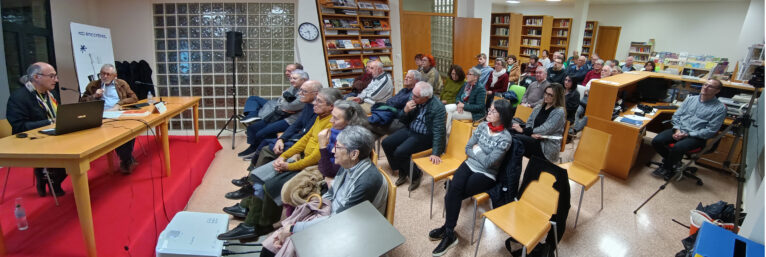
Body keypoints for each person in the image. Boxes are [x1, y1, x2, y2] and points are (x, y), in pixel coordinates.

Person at [218, 88, 342, 240]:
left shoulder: (331, 123)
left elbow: (316, 157)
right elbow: (305, 140)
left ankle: (258, 225)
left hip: (314, 167)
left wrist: (288, 166)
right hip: (301, 159)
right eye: (315, 100)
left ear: (331, 106)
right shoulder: (320, 116)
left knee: (268, 184)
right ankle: (249, 214)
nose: (314, 103)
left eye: (319, 101)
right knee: (258, 176)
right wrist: (283, 156)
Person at [258, 126, 387, 257]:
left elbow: (339, 220)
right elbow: (331, 194)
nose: (332, 150)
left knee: (285, 243)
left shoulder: (367, 180)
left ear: (354, 154)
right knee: (272, 246)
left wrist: (294, 229)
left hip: (351, 229)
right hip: (333, 217)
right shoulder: (350, 164)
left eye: (338, 147)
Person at [429, 99, 514, 256]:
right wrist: (477, 151)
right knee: (454, 190)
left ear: (503, 115)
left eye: (493, 111)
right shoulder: (482, 126)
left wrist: (478, 150)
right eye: (490, 109)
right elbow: (468, 148)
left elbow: (489, 163)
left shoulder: (505, 138)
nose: (489, 112)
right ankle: (449, 232)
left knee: (453, 194)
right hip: (469, 164)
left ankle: (448, 230)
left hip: (486, 174)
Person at [6, 62, 67, 196]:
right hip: (29, 140)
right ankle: (47, 176)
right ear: (36, 77)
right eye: (52, 76)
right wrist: (50, 122)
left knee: (76, 145)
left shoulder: (51, 94)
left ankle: (49, 176)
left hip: (52, 135)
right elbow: (19, 126)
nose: (56, 80)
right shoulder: (18, 97)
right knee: (64, 152)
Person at [650, 79, 726, 179]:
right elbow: (676, 116)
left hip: (696, 136)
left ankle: (668, 167)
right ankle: (674, 162)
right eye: (705, 85)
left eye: (710, 86)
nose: (706, 87)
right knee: (656, 141)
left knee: (678, 147)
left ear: (717, 91)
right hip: (679, 129)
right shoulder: (690, 99)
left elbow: (711, 130)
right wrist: (677, 130)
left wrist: (688, 134)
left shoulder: (719, 108)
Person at [241, 80, 323, 171]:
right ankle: (252, 175)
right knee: (264, 139)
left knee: (265, 147)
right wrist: (282, 139)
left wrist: (286, 143)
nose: (300, 94)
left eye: (304, 91)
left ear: (316, 94)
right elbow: (296, 124)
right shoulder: (308, 104)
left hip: (301, 143)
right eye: (300, 90)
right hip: (297, 137)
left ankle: (253, 178)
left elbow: (306, 134)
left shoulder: (319, 111)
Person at [382, 82, 446, 191]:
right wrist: (405, 111)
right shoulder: (414, 100)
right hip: (411, 129)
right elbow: (403, 120)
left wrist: (436, 153)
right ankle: (402, 170)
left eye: (416, 96)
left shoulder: (438, 107)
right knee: (386, 143)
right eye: (412, 94)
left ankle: (416, 175)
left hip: (425, 136)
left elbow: (438, 131)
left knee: (400, 152)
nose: (412, 97)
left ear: (425, 97)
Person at [81, 64, 139, 173]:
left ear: (115, 76)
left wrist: (119, 104)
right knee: (116, 135)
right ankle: (127, 160)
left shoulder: (121, 84)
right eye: (102, 73)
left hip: (119, 113)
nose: (104, 76)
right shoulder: (93, 86)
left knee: (130, 131)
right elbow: (81, 103)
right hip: (101, 116)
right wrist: (94, 96)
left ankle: (126, 159)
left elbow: (134, 98)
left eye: (108, 74)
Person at [238, 69, 309, 158]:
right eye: (291, 78)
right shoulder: (294, 87)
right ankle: (253, 147)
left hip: (291, 120)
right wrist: (284, 102)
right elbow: (280, 100)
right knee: (253, 127)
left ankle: (258, 152)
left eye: (294, 78)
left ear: (304, 80)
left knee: (262, 133)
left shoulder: (306, 91)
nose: (291, 80)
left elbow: (289, 106)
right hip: (279, 114)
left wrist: (284, 102)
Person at [512, 84, 566, 163]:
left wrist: (524, 131)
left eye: (550, 95)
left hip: (546, 146)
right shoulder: (539, 107)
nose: (546, 96)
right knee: (510, 132)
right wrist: (529, 133)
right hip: (534, 138)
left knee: (516, 139)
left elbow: (546, 129)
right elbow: (529, 122)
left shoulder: (559, 111)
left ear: (557, 97)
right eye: (546, 93)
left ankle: (512, 170)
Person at [445, 68, 486, 132]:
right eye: (467, 74)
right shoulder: (466, 84)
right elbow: (458, 96)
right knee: (446, 108)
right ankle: (446, 132)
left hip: (474, 113)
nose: (467, 76)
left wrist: (464, 106)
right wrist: (459, 104)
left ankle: (448, 133)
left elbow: (480, 107)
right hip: (462, 105)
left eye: (469, 74)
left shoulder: (480, 89)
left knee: (454, 115)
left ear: (475, 77)